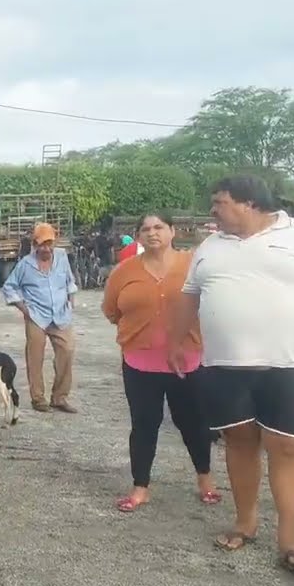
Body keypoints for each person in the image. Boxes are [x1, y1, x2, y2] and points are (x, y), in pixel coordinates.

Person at [168, 175, 294, 576]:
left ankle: (290, 542)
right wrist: (176, 341)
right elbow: (190, 295)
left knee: (287, 446)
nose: (213, 210)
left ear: (249, 203)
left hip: (289, 363)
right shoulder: (210, 246)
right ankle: (245, 523)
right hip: (224, 364)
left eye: (220, 202)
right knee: (238, 440)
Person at [102, 213, 219, 512]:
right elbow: (111, 310)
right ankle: (140, 487)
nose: (152, 233)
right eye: (145, 229)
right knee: (144, 425)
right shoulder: (124, 271)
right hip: (139, 362)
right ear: (138, 236)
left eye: (159, 227)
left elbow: (212, 303)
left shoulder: (193, 265)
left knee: (193, 423)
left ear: (172, 231)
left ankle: (205, 479)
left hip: (187, 360)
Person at [1, 222, 79, 413]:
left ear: (55, 242)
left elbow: (69, 281)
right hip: (36, 316)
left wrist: (71, 302)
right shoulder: (25, 264)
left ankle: (59, 397)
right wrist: (24, 309)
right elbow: (9, 287)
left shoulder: (62, 257)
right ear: (34, 244)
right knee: (35, 357)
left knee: (67, 350)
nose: (46, 248)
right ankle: (38, 399)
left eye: (49, 243)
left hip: (61, 314)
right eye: (41, 244)